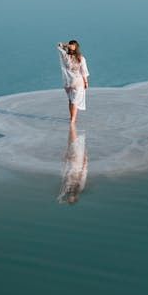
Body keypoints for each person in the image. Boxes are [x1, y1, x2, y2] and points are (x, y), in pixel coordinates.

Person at [56, 40, 89, 203]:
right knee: (71, 100)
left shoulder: (80, 57)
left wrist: (86, 81)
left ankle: (73, 120)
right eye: (71, 45)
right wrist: (65, 46)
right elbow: (58, 46)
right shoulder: (66, 57)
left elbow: (84, 70)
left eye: (74, 45)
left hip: (76, 81)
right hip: (69, 81)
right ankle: (72, 119)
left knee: (74, 100)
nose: (72, 47)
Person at [56, 40, 89, 141]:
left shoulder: (65, 56)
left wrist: (66, 46)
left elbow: (58, 45)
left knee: (71, 100)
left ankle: (72, 118)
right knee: (74, 100)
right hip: (77, 81)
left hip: (68, 82)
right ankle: (73, 120)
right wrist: (86, 82)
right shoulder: (80, 58)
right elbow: (84, 71)